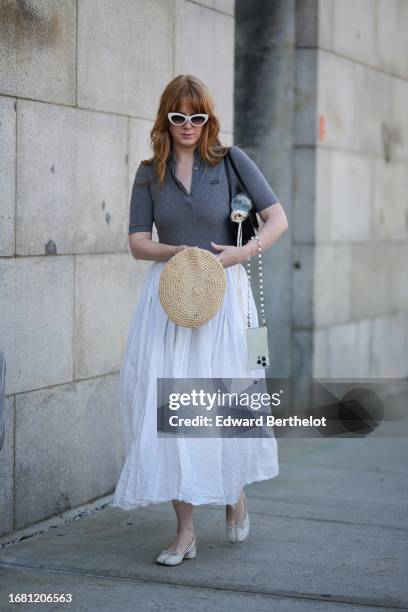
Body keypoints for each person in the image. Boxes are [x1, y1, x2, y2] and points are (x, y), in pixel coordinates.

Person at [112, 74, 289, 565]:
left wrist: (240, 254)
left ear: (207, 119)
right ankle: (185, 530)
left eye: (197, 116)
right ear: (164, 120)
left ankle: (234, 493)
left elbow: (277, 219)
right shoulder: (149, 172)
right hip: (169, 300)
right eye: (177, 116)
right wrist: (178, 252)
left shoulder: (232, 162)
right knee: (168, 409)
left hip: (226, 298)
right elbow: (136, 242)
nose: (187, 125)